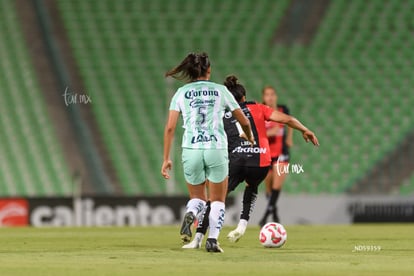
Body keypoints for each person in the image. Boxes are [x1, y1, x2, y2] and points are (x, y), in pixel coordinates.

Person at [183, 76, 319, 248]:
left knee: (216, 199)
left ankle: (199, 239)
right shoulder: (259, 108)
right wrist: (306, 130)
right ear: (244, 97)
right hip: (261, 163)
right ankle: (242, 225)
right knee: (252, 186)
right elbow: (288, 120)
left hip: (237, 161)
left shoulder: (221, 113)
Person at [161, 53, 254, 253]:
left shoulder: (181, 93)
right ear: (209, 70)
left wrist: (166, 158)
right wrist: (250, 137)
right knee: (218, 200)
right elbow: (244, 121)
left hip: (191, 149)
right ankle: (212, 240)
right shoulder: (221, 90)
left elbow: (169, 128)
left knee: (198, 197)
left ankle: (191, 213)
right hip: (215, 148)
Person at [259, 86, 292, 226]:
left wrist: (290, 137)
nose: (270, 97)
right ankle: (275, 213)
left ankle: (265, 217)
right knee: (268, 187)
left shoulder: (283, 110)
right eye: (267, 95)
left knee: (277, 186)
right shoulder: (261, 112)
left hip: (281, 153)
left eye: (272, 94)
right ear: (263, 97)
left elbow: (290, 122)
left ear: (276, 96)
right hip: (266, 153)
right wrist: (269, 133)